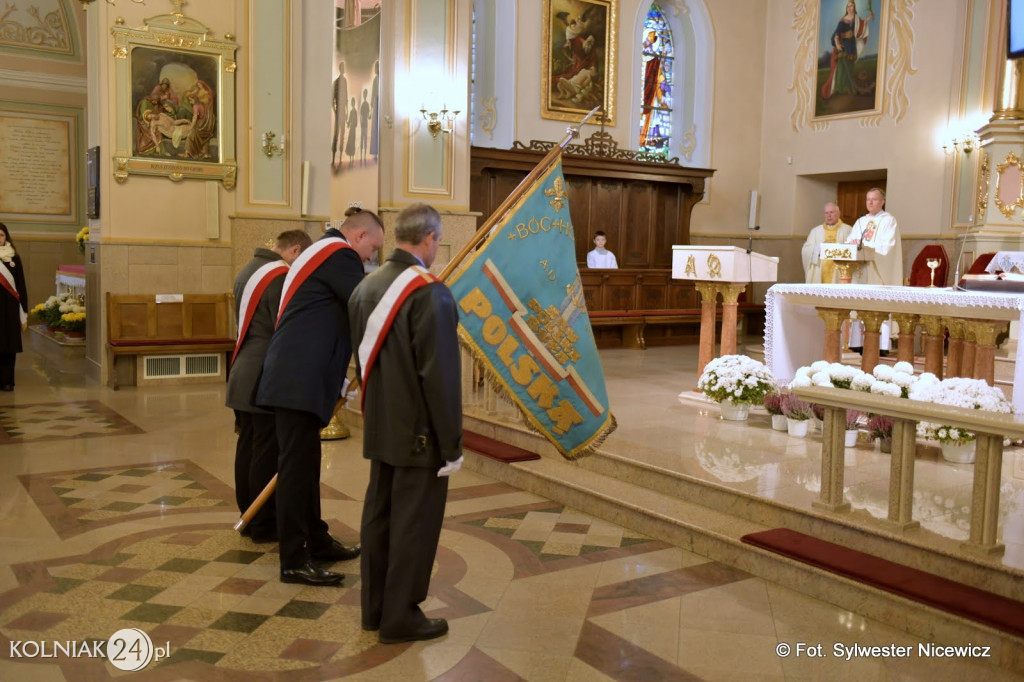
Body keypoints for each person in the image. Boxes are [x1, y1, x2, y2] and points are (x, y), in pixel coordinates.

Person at [349, 203, 462, 645]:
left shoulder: (366, 285)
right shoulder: (429, 292)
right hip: (420, 433)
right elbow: (440, 376)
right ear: (430, 238)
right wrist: (451, 443)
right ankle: (401, 616)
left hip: (380, 426)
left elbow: (361, 359)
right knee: (414, 526)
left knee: (380, 518)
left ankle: (375, 611)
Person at [255, 207, 384, 586]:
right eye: (372, 250)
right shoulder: (338, 254)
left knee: (306, 468)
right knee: (297, 472)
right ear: (358, 237)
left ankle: (318, 539)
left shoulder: (322, 251)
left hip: (296, 376)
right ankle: (293, 559)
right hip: (299, 379)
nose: (370, 259)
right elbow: (365, 305)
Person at [226, 230, 312, 543]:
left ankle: (248, 515)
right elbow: (284, 329)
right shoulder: (278, 277)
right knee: (264, 449)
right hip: (262, 374)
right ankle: (262, 522)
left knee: (249, 444)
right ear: (295, 249)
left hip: (243, 368)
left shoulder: (248, 270)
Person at [846, 187, 902, 352]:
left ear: (882, 202)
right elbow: (851, 240)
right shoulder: (861, 222)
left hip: (878, 272)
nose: (870, 202)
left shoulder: (888, 221)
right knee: (859, 305)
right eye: (868, 199)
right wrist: (854, 244)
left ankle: (881, 346)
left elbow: (888, 247)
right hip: (861, 271)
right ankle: (857, 343)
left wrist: (866, 246)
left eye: (874, 199)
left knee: (877, 305)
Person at [821, 1, 873, 99]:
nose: (849, 8)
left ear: (854, 7)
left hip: (851, 46)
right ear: (846, 8)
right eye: (848, 6)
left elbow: (861, 27)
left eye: (851, 6)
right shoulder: (843, 20)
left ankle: (848, 88)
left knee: (850, 67)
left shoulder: (856, 19)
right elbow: (836, 33)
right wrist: (837, 41)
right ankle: (840, 89)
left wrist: (868, 18)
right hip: (843, 46)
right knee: (841, 68)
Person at [0, 223, 28, 392]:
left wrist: (24, 309)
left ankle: (8, 381)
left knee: (9, 346)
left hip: (10, 309)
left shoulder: (14, 258)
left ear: (7, 237)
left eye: (2, 235)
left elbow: (21, 285)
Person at [801, 202, 851, 283]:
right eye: (826, 213)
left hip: (839, 274)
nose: (829, 215)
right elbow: (805, 250)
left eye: (831, 212)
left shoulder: (848, 230)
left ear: (838, 214)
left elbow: (852, 251)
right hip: (819, 272)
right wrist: (819, 248)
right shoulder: (815, 231)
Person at [332, 61, 347, 170]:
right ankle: (333, 159)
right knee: (336, 136)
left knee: (342, 135)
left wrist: (345, 111)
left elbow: (345, 98)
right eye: (342, 68)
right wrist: (335, 111)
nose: (344, 69)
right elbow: (332, 100)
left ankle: (340, 159)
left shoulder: (345, 81)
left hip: (342, 112)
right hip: (338, 112)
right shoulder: (336, 82)